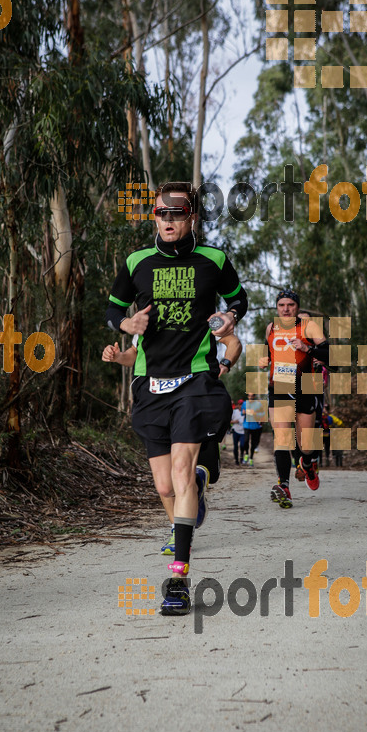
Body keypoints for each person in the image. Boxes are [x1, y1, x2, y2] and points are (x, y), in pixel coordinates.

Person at [105, 181, 247, 615]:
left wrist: (228, 318)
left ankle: (179, 579)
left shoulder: (214, 260)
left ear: (192, 218)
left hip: (196, 379)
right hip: (151, 382)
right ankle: (188, 510)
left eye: (177, 213)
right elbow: (113, 309)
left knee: (183, 471)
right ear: (154, 217)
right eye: (161, 214)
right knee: (165, 485)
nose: (168, 221)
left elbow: (238, 299)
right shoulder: (136, 262)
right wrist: (125, 327)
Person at [102, 332, 243, 554]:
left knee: (190, 472)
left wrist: (224, 363)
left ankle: (180, 529)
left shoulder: (200, 311)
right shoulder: (147, 321)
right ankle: (182, 516)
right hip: (154, 400)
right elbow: (135, 353)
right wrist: (119, 356)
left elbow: (233, 342)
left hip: (192, 398)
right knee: (166, 485)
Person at [258, 289, 330, 509]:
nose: (286, 309)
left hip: (306, 385)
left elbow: (329, 354)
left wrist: (307, 348)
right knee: (281, 436)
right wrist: (263, 360)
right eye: (281, 305)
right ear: (277, 308)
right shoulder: (271, 328)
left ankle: (307, 463)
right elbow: (268, 352)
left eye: (290, 305)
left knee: (306, 444)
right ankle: (284, 487)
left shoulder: (309, 326)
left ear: (297, 307)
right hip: (280, 384)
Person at [241, 392, 264, 467]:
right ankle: (246, 454)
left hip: (255, 426)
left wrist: (255, 413)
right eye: (249, 396)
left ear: (254, 396)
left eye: (252, 396)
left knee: (253, 443)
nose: (250, 397)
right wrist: (243, 412)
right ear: (247, 396)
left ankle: (251, 458)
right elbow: (242, 412)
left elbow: (262, 414)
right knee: (246, 441)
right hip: (246, 425)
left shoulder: (258, 404)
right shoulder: (244, 403)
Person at [230, 401, 246, 465]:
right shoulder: (234, 412)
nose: (241, 406)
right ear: (238, 405)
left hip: (243, 432)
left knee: (242, 445)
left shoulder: (246, 413)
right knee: (235, 446)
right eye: (240, 404)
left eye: (242, 404)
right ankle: (236, 460)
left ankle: (241, 457)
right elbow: (229, 421)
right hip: (235, 431)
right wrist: (234, 421)